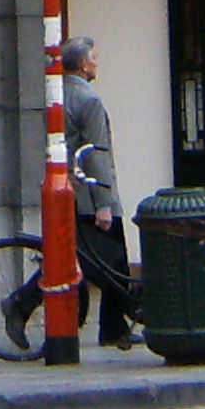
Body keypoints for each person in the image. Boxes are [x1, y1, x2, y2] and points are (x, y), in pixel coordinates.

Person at [63, 37, 138, 346]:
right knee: (114, 262)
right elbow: (96, 153)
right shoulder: (89, 100)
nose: (96, 61)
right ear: (83, 64)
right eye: (93, 56)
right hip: (92, 195)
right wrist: (104, 204)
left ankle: (115, 325)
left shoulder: (59, 94)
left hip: (71, 189)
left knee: (81, 257)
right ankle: (112, 328)